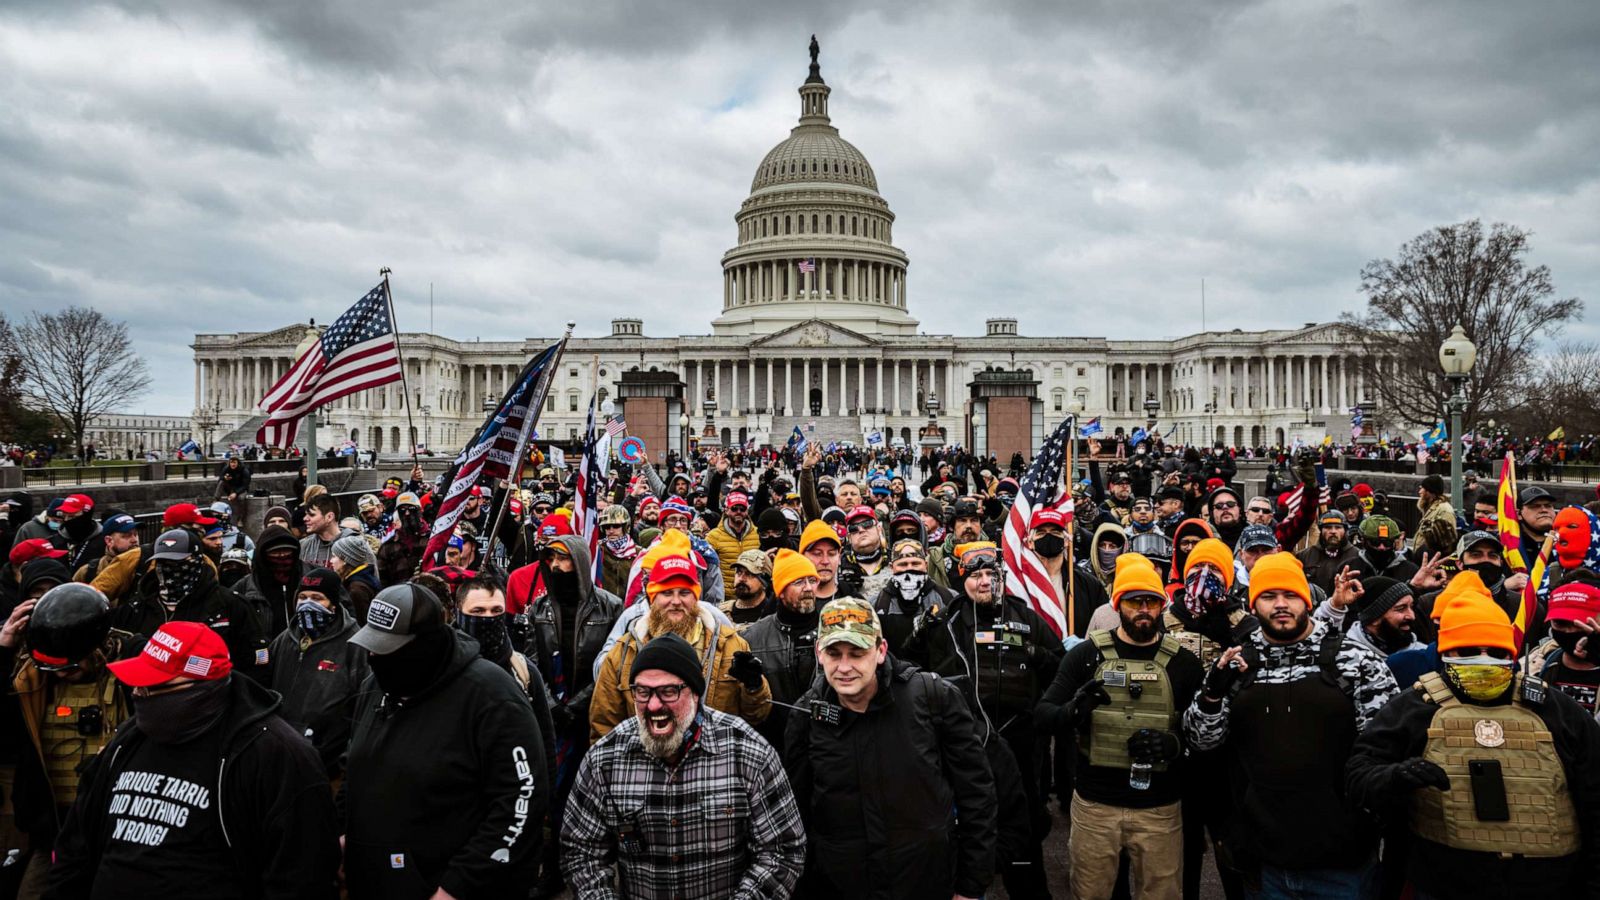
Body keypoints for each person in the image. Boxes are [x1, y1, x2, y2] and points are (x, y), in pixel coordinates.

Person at [46, 621, 340, 898]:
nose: (138, 694)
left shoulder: (277, 756)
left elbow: (303, 878)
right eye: (136, 685)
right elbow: (75, 848)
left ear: (201, 686)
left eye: (153, 686)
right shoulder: (128, 740)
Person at [1346, 586, 1600, 898]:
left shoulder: (1556, 710)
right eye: (1467, 652)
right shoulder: (1414, 708)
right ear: (1445, 654)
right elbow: (1359, 774)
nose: (1483, 661)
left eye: (1496, 653)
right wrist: (1396, 777)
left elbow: (1595, 796)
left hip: (1549, 886)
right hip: (1443, 883)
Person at [1184, 553, 1401, 895]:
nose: (1281, 605)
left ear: (1307, 600)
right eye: (1269, 596)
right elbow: (1201, 741)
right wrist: (1212, 693)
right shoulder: (1237, 664)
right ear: (1254, 606)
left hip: (1341, 863)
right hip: (1263, 861)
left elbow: (1385, 750)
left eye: (1291, 595)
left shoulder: (1355, 662)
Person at [343, 583, 549, 899]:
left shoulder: (492, 697)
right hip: (373, 880)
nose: (374, 657)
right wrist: (346, 833)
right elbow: (357, 765)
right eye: (373, 646)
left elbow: (519, 802)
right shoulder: (376, 685)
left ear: (424, 645)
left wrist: (457, 886)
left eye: (388, 648)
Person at [563, 632, 806, 898]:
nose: (654, 705)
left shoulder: (748, 752)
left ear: (695, 693)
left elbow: (782, 850)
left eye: (669, 691)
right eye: (642, 691)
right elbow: (581, 854)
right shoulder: (605, 759)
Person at [785, 597, 996, 899]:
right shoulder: (805, 716)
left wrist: (971, 885)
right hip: (843, 886)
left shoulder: (933, 698)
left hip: (927, 882)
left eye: (857, 653)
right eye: (834, 653)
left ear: (880, 650)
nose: (844, 667)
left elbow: (977, 794)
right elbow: (797, 816)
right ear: (820, 653)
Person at [1035, 553, 1204, 900]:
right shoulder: (1084, 655)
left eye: (1152, 601)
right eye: (1134, 601)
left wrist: (1173, 745)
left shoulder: (1184, 663)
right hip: (1097, 805)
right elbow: (1043, 715)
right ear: (1118, 604)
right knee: (1089, 893)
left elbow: (1205, 732)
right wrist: (1073, 711)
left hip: (1160, 808)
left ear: (1162, 605)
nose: (1143, 609)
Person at [904, 541, 1062, 898]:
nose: (985, 581)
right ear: (963, 580)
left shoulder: (1025, 616)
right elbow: (912, 668)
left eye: (992, 574)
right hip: (967, 740)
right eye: (976, 575)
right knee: (970, 816)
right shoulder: (945, 620)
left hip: (1021, 738)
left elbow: (1060, 671)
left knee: (1026, 823)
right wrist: (919, 632)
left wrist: (1037, 656)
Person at [0, 583, 137, 894]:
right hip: (53, 833)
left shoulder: (130, 670)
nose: (61, 674)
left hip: (116, 831)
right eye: (52, 667)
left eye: (70, 666)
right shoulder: (29, 682)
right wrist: (4, 650)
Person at [589, 553, 770, 742]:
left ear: (696, 598)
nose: (676, 601)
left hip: (715, 763)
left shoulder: (730, 646)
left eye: (684, 593)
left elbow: (757, 716)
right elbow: (603, 726)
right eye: (667, 593)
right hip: (646, 764)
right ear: (652, 597)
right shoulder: (624, 652)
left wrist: (754, 687)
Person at [109, 529, 264, 675]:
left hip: (211, 694)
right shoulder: (136, 607)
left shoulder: (230, 604)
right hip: (149, 695)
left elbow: (256, 659)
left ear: (197, 561)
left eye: (179, 563)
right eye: (163, 563)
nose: (170, 569)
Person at [265, 568, 368, 778]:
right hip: (279, 754)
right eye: (302, 597)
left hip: (327, 762)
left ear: (333, 603)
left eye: (317, 598)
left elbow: (363, 705)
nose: (307, 604)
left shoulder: (354, 644)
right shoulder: (285, 639)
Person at [742, 549, 821, 744]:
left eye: (812, 580)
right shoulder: (752, 639)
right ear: (781, 591)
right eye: (799, 582)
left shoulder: (834, 630)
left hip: (824, 746)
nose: (809, 588)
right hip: (774, 745)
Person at [874, 538, 951, 655]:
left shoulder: (948, 598)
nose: (909, 568)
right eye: (903, 564)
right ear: (891, 567)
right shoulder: (876, 604)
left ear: (925, 565)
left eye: (915, 563)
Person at [236, 525, 304, 639]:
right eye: (275, 553)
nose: (282, 556)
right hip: (264, 653)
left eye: (287, 551)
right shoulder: (244, 587)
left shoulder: (312, 577)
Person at [706, 491, 759, 594]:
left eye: (742, 509)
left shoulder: (757, 534)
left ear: (747, 511)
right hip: (725, 596)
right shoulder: (713, 536)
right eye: (734, 508)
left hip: (752, 594)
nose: (738, 511)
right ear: (726, 510)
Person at [1296, 510, 1358, 595]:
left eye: (1338, 527)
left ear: (1345, 530)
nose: (1333, 531)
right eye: (1328, 527)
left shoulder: (1357, 556)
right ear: (1320, 530)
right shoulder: (1304, 556)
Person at [718, 548, 775, 630]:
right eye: (739, 572)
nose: (741, 578)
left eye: (749, 574)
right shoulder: (720, 613)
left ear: (764, 582)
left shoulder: (773, 617)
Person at [329, 533, 380, 623]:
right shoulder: (362, 580)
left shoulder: (356, 589)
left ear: (345, 559)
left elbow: (360, 622)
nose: (331, 561)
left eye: (334, 556)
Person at [298, 494, 343, 569]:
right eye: (306, 515)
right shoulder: (303, 546)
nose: (305, 519)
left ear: (329, 517)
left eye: (311, 515)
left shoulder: (355, 544)